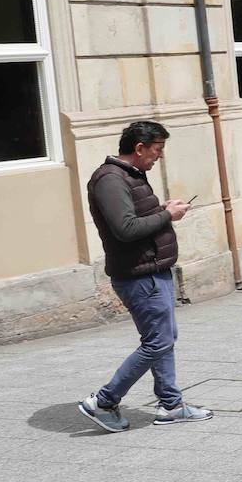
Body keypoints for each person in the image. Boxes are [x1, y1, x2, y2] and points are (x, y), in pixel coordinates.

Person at [79, 121, 211, 432]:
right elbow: (125, 229)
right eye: (157, 150)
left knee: (162, 341)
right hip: (140, 275)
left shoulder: (129, 176)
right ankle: (104, 401)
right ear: (139, 148)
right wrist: (168, 215)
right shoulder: (110, 179)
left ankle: (171, 405)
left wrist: (163, 209)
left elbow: (135, 217)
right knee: (157, 343)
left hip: (151, 270)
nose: (160, 156)